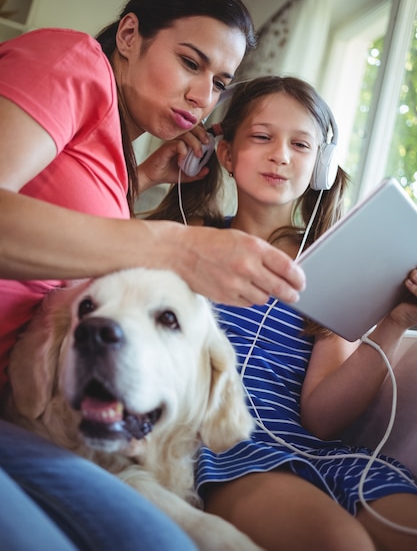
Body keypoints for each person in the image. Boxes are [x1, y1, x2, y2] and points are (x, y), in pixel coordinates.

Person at [0, 0, 308, 550]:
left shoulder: (120, 158)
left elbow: (55, 217)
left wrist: (136, 180)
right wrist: (175, 243)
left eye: (220, 82)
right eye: (191, 62)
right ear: (128, 35)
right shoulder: (71, 59)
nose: (203, 97)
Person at [147, 75, 417, 551]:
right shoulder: (181, 239)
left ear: (321, 167)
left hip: (320, 452)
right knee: (341, 543)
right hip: (228, 448)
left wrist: (394, 321)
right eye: (262, 137)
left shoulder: (333, 265)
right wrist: (146, 175)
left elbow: (322, 418)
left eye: (300, 144)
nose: (281, 155)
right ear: (225, 153)